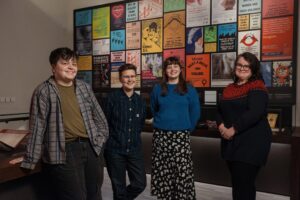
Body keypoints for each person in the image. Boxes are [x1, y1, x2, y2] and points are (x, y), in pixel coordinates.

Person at [20, 47, 109, 200]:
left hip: (91, 148)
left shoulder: (84, 88)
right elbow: (37, 128)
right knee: (76, 196)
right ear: (53, 67)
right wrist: (29, 160)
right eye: (65, 63)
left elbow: (101, 120)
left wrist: (99, 143)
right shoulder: (43, 91)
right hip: (64, 151)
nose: (71, 67)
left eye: (74, 63)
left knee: (95, 194)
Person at [216, 52, 272, 200]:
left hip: (251, 143)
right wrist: (221, 126)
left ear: (254, 69)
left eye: (247, 66)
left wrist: (233, 130)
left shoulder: (257, 86)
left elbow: (254, 113)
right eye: (240, 65)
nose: (242, 68)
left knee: (244, 184)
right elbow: (219, 110)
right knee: (238, 184)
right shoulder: (228, 88)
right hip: (231, 142)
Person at [150, 56, 201, 200]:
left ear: (180, 69)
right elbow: (154, 109)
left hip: (181, 136)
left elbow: (195, 112)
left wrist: (185, 128)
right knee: (163, 171)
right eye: (169, 66)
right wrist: (164, 123)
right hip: (161, 136)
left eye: (175, 66)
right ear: (165, 70)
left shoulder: (189, 89)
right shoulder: (157, 89)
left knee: (181, 171)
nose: (172, 69)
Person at [103, 63, 147, 200]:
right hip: (114, 150)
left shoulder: (140, 101)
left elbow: (140, 125)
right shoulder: (111, 99)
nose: (130, 79)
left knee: (140, 183)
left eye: (132, 76)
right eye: (126, 77)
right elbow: (105, 123)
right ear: (120, 79)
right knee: (118, 187)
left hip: (134, 149)